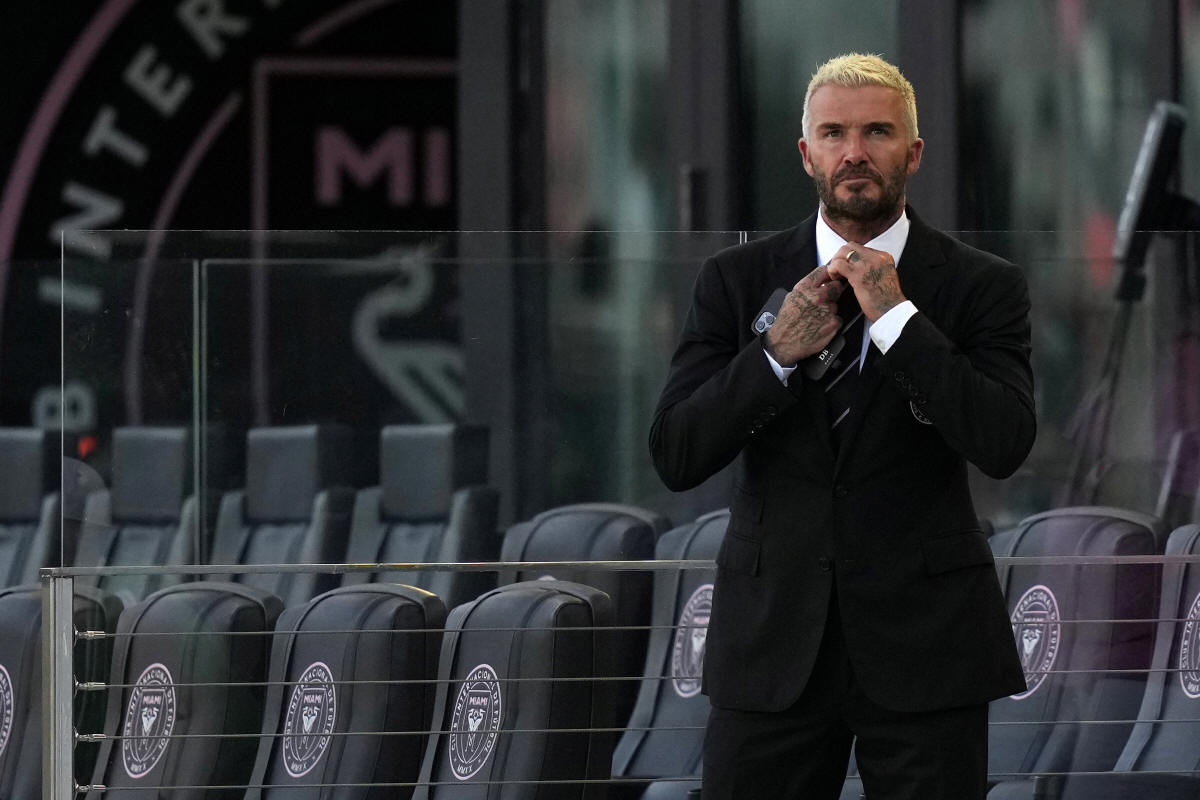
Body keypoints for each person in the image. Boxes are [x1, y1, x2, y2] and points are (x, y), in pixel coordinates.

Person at [649, 53, 1035, 799]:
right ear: (807, 154)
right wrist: (773, 355)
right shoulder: (735, 279)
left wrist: (897, 319)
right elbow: (676, 450)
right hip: (772, 645)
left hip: (928, 644)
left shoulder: (983, 284)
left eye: (877, 132)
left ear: (913, 153)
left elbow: (1004, 441)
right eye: (834, 133)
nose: (854, 152)